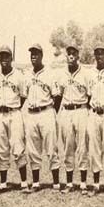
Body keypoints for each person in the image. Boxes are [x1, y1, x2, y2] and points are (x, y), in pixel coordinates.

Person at [21, 43, 61, 191]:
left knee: (51, 148)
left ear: (42, 55)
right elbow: (23, 97)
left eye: (36, 53)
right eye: (32, 53)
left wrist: (51, 111)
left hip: (46, 112)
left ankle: (56, 182)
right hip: (31, 113)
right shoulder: (27, 75)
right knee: (33, 149)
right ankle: (36, 182)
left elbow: (57, 96)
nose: (33, 56)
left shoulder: (50, 73)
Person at [0, 45, 28, 194]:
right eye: (2, 56)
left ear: (11, 58)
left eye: (6, 56)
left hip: (14, 113)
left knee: (18, 146)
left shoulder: (19, 76)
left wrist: (15, 108)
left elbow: (23, 97)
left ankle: (24, 182)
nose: (4, 59)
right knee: (1, 148)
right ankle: (3, 183)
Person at [57, 44, 92, 194]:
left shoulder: (85, 73)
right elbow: (58, 96)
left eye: (73, 54)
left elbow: (90, 96)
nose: (71, 56)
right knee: (67, 147)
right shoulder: (61, 74)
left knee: (82, 147)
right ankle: (70, 183)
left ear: (78, 56)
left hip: (81, 110)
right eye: (69, 53)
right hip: (66, 111)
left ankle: (83, 183)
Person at [86, 45, 104, 197]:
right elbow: (87, 96)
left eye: (101, 53)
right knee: (94, 149)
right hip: (93, 113)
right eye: (96, 53)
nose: (99, 56)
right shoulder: (89, 73)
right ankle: (96, 184)